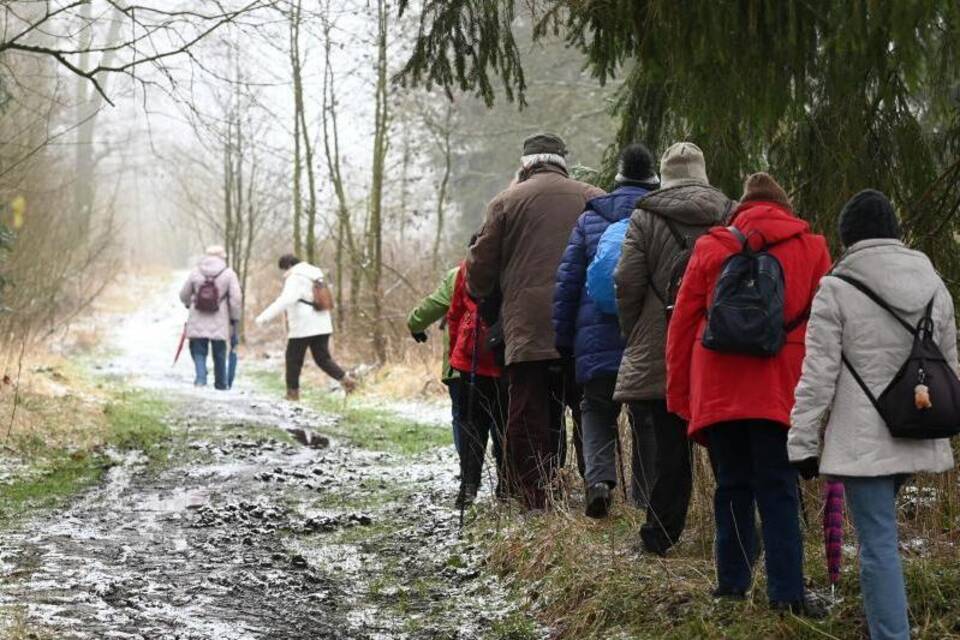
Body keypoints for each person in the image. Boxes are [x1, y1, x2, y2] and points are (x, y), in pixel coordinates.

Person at [789, 190, 956, 639]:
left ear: (847, 238)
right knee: (882, 538)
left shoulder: (837, 288)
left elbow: (818, 374)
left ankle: (891, 633)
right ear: (895, 233)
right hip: (919, 426)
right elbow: (951, 367)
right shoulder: (934, 284)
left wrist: (802, 442)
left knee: (878, 543)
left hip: (863, 439)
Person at [666, 172, 831, 617]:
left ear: (741, 207)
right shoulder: (812, 248)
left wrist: (682, 396)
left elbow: (681, 326)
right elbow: (825, 329)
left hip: (718, 385)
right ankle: (787, 595)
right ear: (785, 207)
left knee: (732, 486)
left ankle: (731, 589)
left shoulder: (711, 246)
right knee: (779, 487)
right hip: (780, 386)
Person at [467, 133, 604, 510]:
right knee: (589, 408)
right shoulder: (593, 196)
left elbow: (478, 274)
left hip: (527, 326)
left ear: (525, 164)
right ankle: (597, 487)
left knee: (527, 412)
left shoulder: (505, 202)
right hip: (584, 323)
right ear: (563, 161)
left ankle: (534, 497)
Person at [613, 142, 732, 550]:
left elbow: (626, 280)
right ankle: (733, 534)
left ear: (664, 176)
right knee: (725, 449)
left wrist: (635, 331)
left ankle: (660, 535)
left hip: (663, 342)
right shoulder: (729, 213)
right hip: (720, 344)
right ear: (702, 172)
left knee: (668, 447)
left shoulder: (646, 216)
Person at [552, 143, 661, 518]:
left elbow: (567, 285)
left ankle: (599, 482)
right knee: (645, 415)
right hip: (645, 337)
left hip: (595, 337)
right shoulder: (659, 219)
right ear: (653, 181)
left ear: (617, 179)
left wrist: (563, 341)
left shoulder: (590, 218)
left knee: (596, 408)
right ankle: (645, 498)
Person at [255, 254, 356, 399]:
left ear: (288, 266)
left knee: (293, 359)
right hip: (322, 322)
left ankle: (292, 394)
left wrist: (264, 317)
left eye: (284, 270)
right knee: (323, 358)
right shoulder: (316, 274)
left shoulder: (295, 276)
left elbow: (286, 299)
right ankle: (347, 381)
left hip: (303, 325)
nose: (284, 274)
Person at [448, 259, 506, 507]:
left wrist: (455, 355)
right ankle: (506, 484)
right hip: (505, 356)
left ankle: (469, 486)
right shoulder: (513, 262)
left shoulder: (468, 267)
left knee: (473, 424)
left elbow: (455, 314)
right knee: (505, 423)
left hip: (472, 358)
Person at [407, 266, 463, 453]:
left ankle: (469, 477)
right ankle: (505, 475)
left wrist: (415, 323)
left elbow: (433, 305)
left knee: (463, 418)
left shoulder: (459, 274)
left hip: (461, 364)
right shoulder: (512, 267)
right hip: (501, 360)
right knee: (501, 418)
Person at [179, 245, 242, 390]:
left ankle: (200, 379)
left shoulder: (196, 272)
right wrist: (234, 317)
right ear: (223, 256)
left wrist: (189, 304)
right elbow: (236, 299)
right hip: (220, 318)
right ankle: (220, 383)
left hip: (198, 316)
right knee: (219, 351)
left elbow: (183, 294)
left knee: (198, 350)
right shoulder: (228, 273)